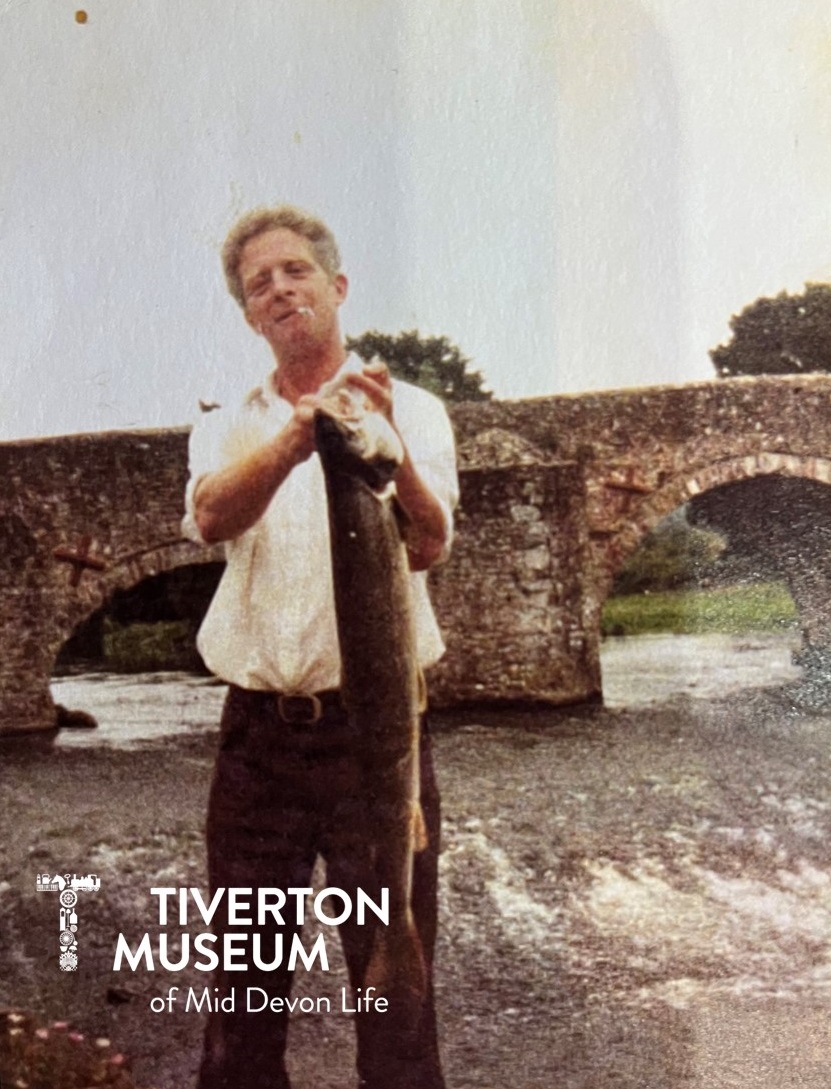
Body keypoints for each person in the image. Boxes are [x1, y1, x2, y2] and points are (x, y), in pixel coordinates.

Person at [182, 204, 458, 1089]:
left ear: (336, 287)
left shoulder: (409, 409)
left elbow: (430, 539)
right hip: (258, 741)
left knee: (394, 991)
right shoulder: (230, 421)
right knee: (242, 994)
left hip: (375, 736)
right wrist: (297, 438)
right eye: (259, 284)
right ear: (249, 315)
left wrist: (386, 446)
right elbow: (210, 515)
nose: (279, 289)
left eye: (295, 271)